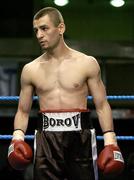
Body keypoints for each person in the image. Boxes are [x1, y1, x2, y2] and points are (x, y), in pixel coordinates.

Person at [8, 7, 124, 180]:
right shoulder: (30, 70)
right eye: (36, 30)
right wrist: (16, 139)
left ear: (60, 28)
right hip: (46, 138)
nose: (39, 35)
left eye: (44, 28)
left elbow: (101, 105)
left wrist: (110, 142)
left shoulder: (86, 63)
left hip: (81, 137)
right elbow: (23, 111)